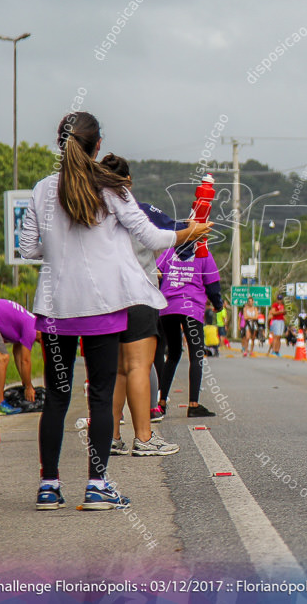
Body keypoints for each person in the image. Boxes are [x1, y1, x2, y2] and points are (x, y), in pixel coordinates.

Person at [20, 111, 209, 510]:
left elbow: (29, 249)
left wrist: (62, 246)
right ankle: (97, 486)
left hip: (54, 309)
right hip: (103, 307)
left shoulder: (40, 190)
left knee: (57, 396)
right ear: (98, 145)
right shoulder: (111, 188)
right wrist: (188, 231)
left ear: (61, 141)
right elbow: (154, 238)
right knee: (101, 397)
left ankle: (49, 486)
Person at [100, 153, 187, 454]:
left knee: (117, 370)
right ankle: (145, 438)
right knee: (139, 366)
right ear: (128, 183)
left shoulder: (91, 213)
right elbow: (173, 234)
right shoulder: (140, 210)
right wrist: (195, 228)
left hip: (105, 299)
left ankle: (110, 437)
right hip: (138, 293)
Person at [157, 244, 223, 417]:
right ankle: (193, 405)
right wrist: (218, 305)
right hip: (191, 309)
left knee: (173, 354)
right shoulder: (203, 254)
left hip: (167, 308)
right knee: (196, 355)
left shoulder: (169, 252)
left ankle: (161, 403)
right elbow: (212, 285)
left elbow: (156, 274)